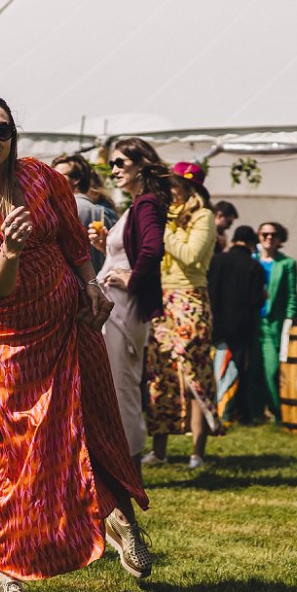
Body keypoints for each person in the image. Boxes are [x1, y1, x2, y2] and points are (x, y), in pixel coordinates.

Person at [0, 96, 149, 592]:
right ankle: (11, 570)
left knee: (93, 423)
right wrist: (8, 250)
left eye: (2, 130)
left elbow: (75, 240)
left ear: (15, 136)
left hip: (71, 322)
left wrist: (90, 286)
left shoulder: (39, 177)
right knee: (22, 455)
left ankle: (118, 516)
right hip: (14, 346)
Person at [93, 137, 171, 462]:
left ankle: (129, 460)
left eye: (121, 162)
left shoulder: (147, 204)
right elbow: (135, 253)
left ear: (141, 165)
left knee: (122, 385)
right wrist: (104, 247)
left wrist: (130, 279)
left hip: (124, 309)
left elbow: (153, 250)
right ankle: (120, 456)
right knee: (113, 383)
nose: (114, 169)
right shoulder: (137, 204)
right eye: (112, 163)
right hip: (116, 308)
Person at [145, 161, 222, 469]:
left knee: (194, 375)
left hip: (190, 299)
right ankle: (160, 451)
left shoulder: (203, 216)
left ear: (191, 188)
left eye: (175, 185)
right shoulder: (166, 215)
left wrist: (162, 230)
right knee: (160, 376)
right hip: (162, 300)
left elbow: (190, 256)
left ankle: (197, 453)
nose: (170, 190)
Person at [208, 224, 266, 424]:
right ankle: (238, 413)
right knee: (240, 370)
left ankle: (218, 409)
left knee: (218, 369)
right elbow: (255, 300)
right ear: (252, 244)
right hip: (242, 327)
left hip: (217, 324)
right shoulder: (254, 267)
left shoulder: (216, 261)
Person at [250, 222, 297, 423]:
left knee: (271, 370)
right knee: (253, 369)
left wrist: (289, 322)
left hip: (273, 323)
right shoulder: (251, 260)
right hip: (252, 322)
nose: (269, 238)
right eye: (264, 234)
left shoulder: (287, 263)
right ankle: (254, 413)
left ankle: (278, 412)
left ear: (280, 239)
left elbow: (291, 297)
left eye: (273, 234)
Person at [53, 153, 114, 273]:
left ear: (76, 180)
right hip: (100, 284)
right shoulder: (105, 213)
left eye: (57, 175)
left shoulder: (59, 210)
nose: (52, 179)